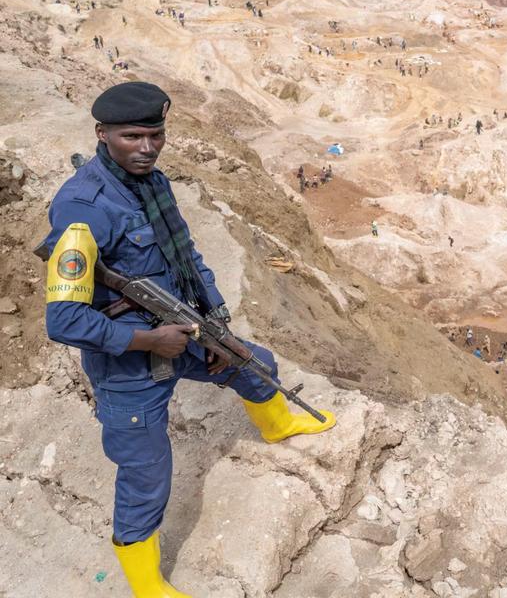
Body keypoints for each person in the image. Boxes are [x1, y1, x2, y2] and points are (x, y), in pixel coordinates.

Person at [42, 82, 336, 597]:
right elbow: (63, 321)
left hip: (184, 328)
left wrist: (216, 320)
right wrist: (149, 340)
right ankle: (148, 586)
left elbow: (186, 255)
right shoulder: (83, 208)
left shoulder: (151, 184)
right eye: (133, 136)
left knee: (254, 362)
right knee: (147, 474)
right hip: (129, 367)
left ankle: (277, 425)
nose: (147, 147)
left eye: (155, 134)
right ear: (103, 134)